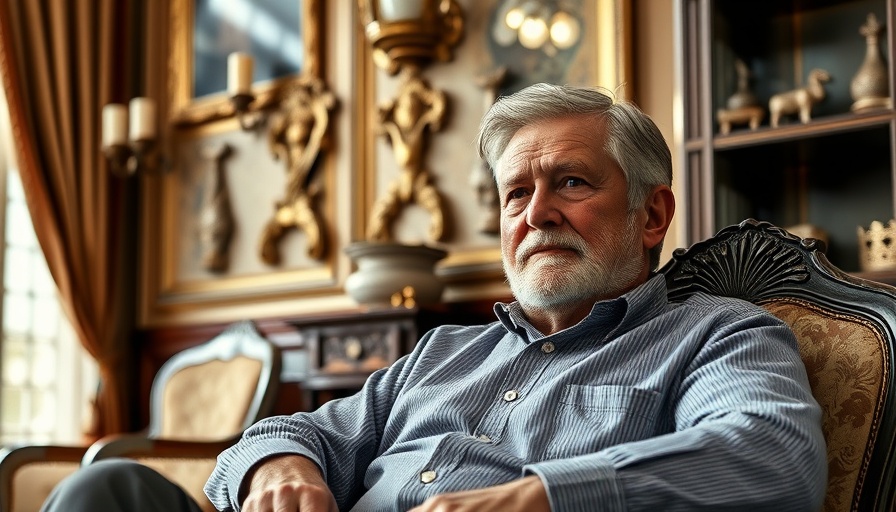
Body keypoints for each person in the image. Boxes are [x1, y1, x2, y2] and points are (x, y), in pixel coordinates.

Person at [41, 83, 827, 512]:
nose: (536, 212)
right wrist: (280, 466)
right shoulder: (444, 353)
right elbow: (297, 427)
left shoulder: (719, 335)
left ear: (651, 214)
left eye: (572, 183)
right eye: (515, 194)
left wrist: (543, 499)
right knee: (107, 486)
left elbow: (770, 454)